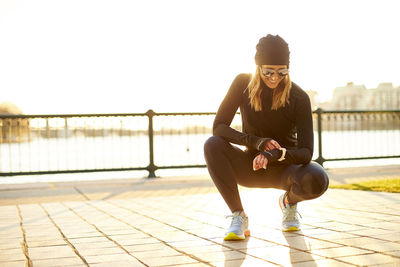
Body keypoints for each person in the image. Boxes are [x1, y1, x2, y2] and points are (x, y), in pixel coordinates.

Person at [203, 34, 329, 241]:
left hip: (285, 168)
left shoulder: (299, 97)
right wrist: (256, 142)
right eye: (268, 71)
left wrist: (274, 154)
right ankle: (238, 216)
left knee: (318, 179)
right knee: (213, 144)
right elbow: (219, 127)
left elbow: (307, 152)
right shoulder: (242, 83)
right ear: (258, 67)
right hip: (251, 166)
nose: (274, 77)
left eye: (282, 71)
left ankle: (288, 203)